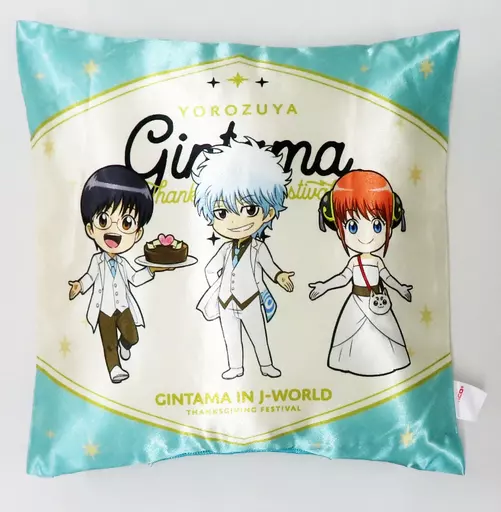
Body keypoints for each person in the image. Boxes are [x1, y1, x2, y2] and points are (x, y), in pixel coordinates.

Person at [192, 138, 295, 380]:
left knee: (258, 334)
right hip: (226, 301)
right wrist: (217, 287)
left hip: (250, 299)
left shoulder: (258, 247)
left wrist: (280, 276)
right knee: (230, 336)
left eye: (249, 210)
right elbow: (210, 269)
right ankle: (235, 367)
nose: (234, 221)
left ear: (268, 213)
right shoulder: (224, 249)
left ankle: (266, 365)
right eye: (221, 212)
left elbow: (270, 267)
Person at [68, 165, 169, 383]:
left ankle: (126, 344)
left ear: (137, 233)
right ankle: (114, 369)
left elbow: (134, 278)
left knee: (132, 336)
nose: (114, 231)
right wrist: (79, 285)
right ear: (90, 229)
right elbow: (89, 277)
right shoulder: (97, 261)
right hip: (103, 309)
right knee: (108, 342)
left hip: (123, 307)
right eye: (103, 221)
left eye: (126, 223)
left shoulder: (123, 263)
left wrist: (152, 269)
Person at [308, 170, 412, 377]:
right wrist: (324, 286)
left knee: (383, 334)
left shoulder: (377, 261)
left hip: (377, 301)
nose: (366, 236)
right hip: (357, 301)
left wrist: (400, 288)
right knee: (352, 334)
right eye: (353, 226)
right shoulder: (354, 262)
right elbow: (343, 278)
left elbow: (387, 278)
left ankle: (383, 366)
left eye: (377, 225)